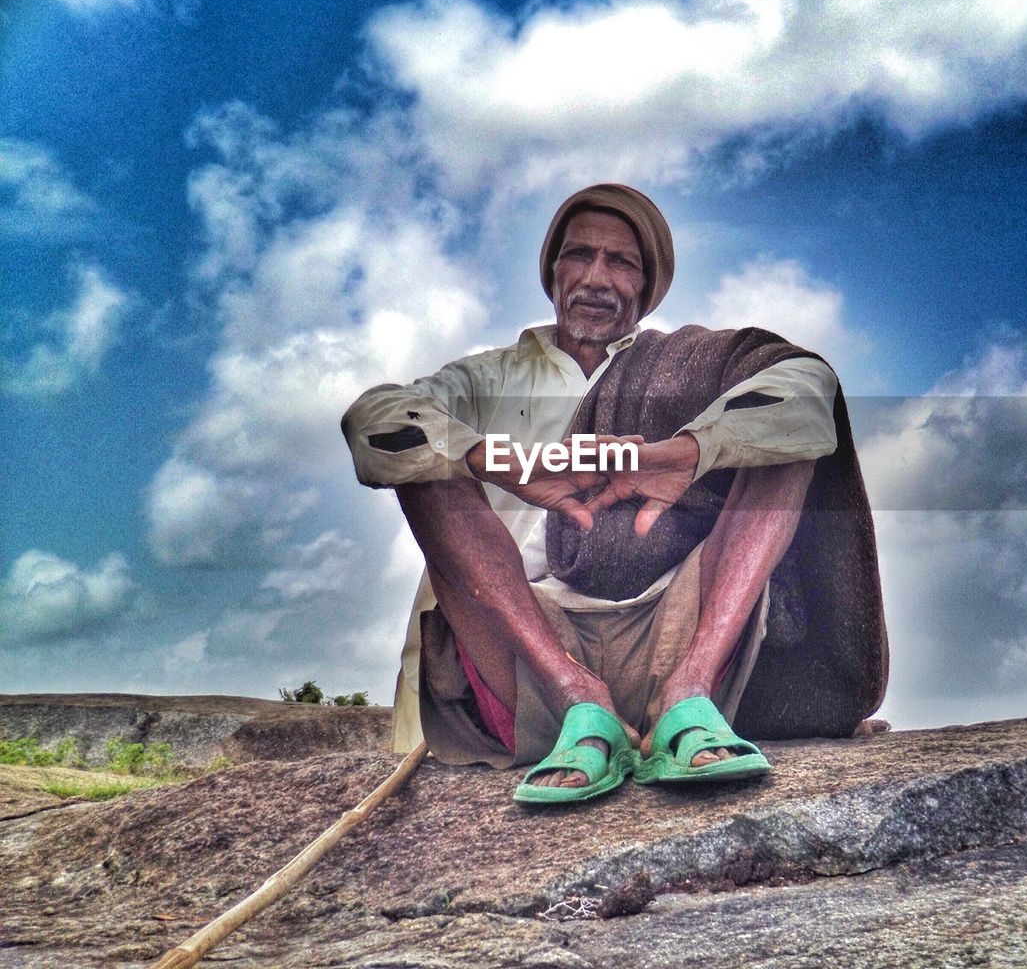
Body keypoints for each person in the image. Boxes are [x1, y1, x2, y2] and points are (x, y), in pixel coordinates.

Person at [342, 183, 888, 804]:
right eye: (579, 255)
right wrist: (495, 461)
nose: (597, 277)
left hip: (674, 620)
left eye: (621, 261)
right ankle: (581, 702)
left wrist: (690, 453)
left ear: (647, 285)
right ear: (552, 270)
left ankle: (691, 696)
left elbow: (808, 388)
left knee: (789, 442)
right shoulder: (486, 377)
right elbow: (375, 420)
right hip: (526, 644)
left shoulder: (690, 362)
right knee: (422, 467)